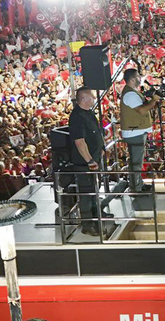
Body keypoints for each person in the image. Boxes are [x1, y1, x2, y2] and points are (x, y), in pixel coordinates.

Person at [68, 87, 109, 236]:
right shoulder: (77, 117)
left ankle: (96, 213)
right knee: (86, 193)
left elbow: (96, 133)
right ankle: (87, 223)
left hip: (95, 158)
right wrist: (89, 160)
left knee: (94, 189)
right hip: (84, 163)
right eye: (91, 96)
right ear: (84, 99)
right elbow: (80, 142)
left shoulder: (90, 113)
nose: (94, 98)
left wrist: (101, 148)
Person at [120, 68, 160, 193]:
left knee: (137, 161)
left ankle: (138, 184)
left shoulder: (132, 92)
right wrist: (154, 100)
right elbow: (142, 110)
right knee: (136, 162)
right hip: (134, 132)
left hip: (136, 130)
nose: (140, 78)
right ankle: (136, 188)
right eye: (138, 76)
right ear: (132, 79)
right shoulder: (130, 94)